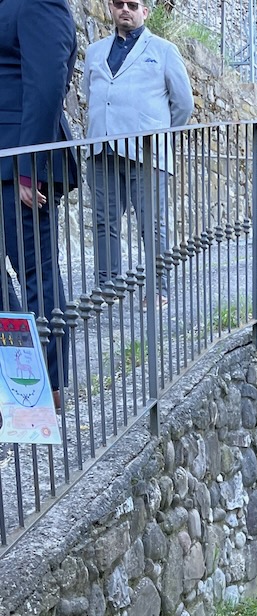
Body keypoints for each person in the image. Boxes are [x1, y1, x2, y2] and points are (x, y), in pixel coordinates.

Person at [82, 0, 193, 302]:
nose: (125, 10)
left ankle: (158, 288)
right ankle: (107, 287)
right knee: (105, 220)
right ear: (110, 8)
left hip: (146, 153)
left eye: (133, 4)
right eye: (119, 4)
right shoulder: (95, 52)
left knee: (151, 221)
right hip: (102, 148)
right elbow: (89, 92)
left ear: (145, 11)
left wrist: (160, 137)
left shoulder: (164, 50)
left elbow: (183, 104)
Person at [0, 0, 78, 402]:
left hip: (19, 163)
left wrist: (27, 166)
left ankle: (47, 383)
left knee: (35, 276)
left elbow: (49, 81)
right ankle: (15, 375)